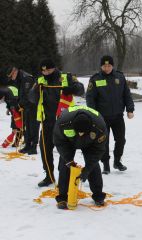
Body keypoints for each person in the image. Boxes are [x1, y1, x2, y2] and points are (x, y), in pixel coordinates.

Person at [29, 59, 84, 187]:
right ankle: (49, 176)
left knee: (64, 151)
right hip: (47, 122)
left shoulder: (66, 77)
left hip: (65, 122)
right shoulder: (40, 80)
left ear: (54, 68)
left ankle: (63, 177)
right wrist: (35, 91)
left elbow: (81, 89)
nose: (45, 72)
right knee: (44, 150)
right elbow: (31, 98)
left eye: (48, 69)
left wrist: (72, 88)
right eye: (43, 70)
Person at [86, 55, 134, 174]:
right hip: (102, 118)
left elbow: (126, 94)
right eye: (104, 66)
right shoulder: (95, 79)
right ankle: (106, 165)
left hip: (118, 116)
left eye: (109, 65)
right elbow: (90, 98)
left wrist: (130, 109)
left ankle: (117, 161)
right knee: (103, 141)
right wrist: (93, 114)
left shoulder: (120, 77)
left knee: (121, 140)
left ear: (112, 65)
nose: (107, 68)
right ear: (101, 66)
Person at [53, 105, 107, 209]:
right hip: (68, 142)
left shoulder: (99, 127)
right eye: (79, 132)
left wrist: (87, 169)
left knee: (93, 165)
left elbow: (98, 151)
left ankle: (98, 196)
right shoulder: (63, 122)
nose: (81, 134)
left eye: (83, 133)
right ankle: (62, 198)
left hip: (90, 144)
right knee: (65, 164)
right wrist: (68, 160)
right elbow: (59, 142)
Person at [3, 66, 39, 154]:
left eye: (11, 76)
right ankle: (27, 146)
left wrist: (18, 105)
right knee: (26, 126)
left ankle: (33, 147)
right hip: (25, 107)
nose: (11, 78)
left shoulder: (26, 78)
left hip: (33, 106)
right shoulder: (19, 78)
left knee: (33, 126)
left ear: (15, 71)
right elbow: (20, 94)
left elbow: (28, 96)